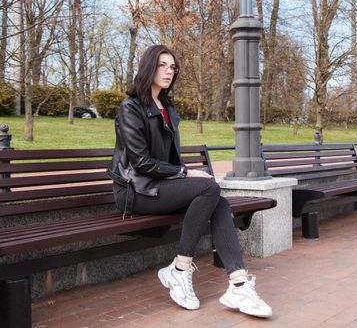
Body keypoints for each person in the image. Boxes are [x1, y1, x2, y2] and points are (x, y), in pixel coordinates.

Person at [107, 45, 272, 318]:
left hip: (158, 187)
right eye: (162, 65)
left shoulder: (167, 107)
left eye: (173, 67)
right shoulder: (131, 107)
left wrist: (182, 173)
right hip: (134, 190)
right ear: (148, 67)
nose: (169, 71)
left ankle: (239, 283)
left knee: (216, 199)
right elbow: (141, 163)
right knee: (209, 187)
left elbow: (169, 159)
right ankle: (180, 268)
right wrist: (186, 173)